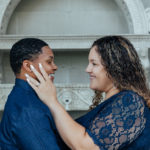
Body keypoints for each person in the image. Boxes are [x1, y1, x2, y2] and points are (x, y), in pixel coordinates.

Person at [26, 36, 150, 150]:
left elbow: (87, 147)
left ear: (115, 68)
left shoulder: (130, 101)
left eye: (94, 64)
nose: (87, 69)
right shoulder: (118, 103)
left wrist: (51, 100)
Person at [0, 38, 69, 150]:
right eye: (49, 62)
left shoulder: (26, 98)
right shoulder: (28, 108)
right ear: (27, 66)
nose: (55, 67)